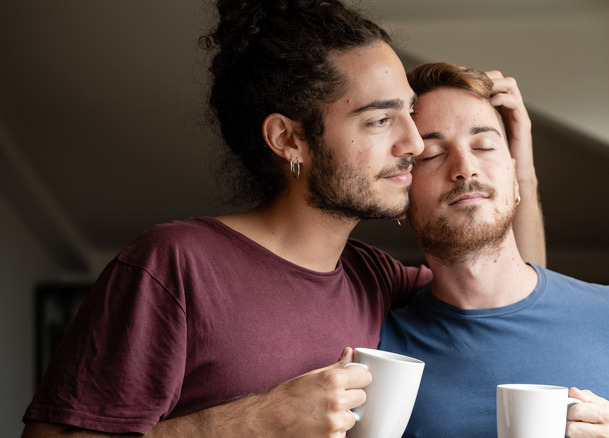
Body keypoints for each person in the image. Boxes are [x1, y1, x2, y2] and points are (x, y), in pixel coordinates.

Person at [21, 2, 545, 437]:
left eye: (408, 113)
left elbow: (515, 294)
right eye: (381, 119)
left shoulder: (375, 278)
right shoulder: (176, 264)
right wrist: (254, 419)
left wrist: (517, 162)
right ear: (288, 139)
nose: (412, 142)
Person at [378, 62, 609, 438]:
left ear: (514, 173)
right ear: (402, 195)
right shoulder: (382, 343)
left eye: (484, 145)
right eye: (433, 154)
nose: (466, 167)